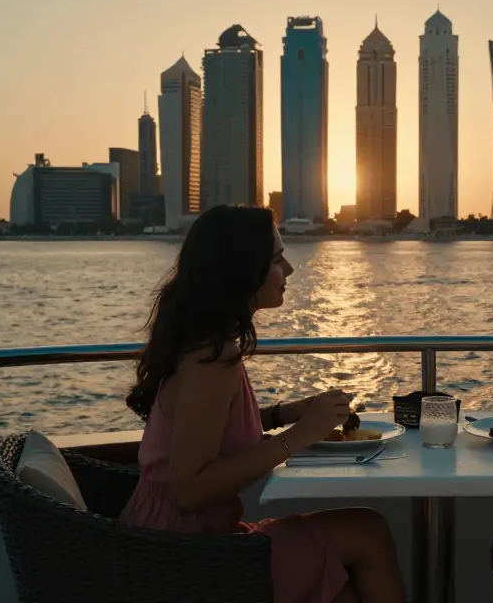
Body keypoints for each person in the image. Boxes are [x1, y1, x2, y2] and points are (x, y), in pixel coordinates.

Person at [119, 205, 406, 603]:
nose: (289, 269)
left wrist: (285, 413)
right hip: (181, 556)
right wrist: (301, 434)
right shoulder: (213, 359)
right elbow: (187, 491)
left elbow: (208, 431)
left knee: (343, 589)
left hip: (171, 537)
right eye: (276, 259)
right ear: (242, 271)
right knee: (367, 531)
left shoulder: (206, 344)